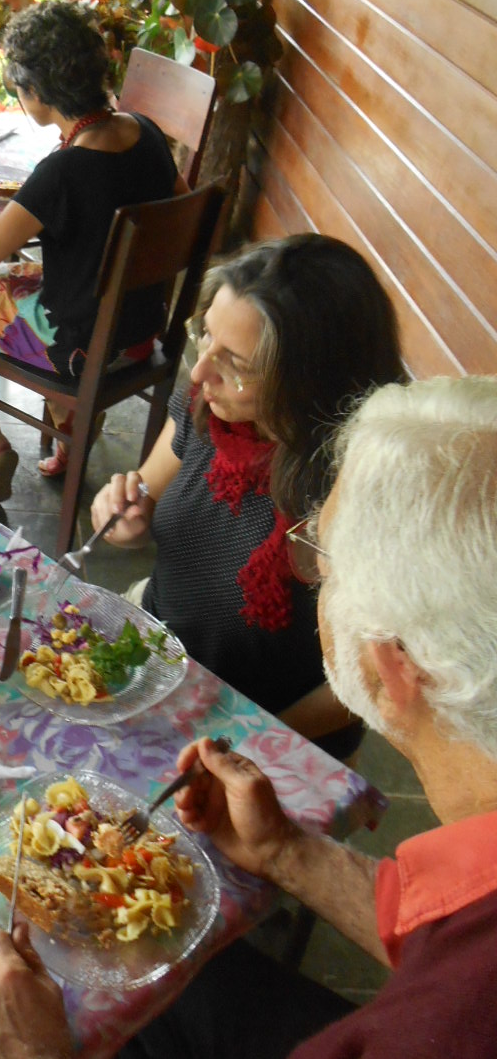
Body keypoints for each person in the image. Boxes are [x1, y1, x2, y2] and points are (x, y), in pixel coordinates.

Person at [0, 375, 497, 1059]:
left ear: (393, 664)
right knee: (165, 986)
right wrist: (286, 852)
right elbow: (455, 926)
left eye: (317, 563)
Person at [88, 235, 406, 756]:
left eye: (236, 364)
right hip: (159, 651)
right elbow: (145, 488)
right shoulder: (210, 405)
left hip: (269, 723)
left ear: (309, 380)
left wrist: (255, 739)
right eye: (205, 335)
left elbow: (371, 679)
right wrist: (126, 511)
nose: (200, 372)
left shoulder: (365, 493)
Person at [0, 0, 179, 508]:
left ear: (35, 92)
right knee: (25, 277)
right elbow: (178, 203)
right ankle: (72, 426)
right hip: (140, 335)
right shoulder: (148, 132)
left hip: (82, 350)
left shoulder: (63, 171)